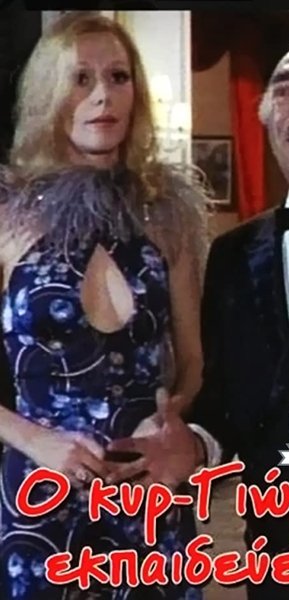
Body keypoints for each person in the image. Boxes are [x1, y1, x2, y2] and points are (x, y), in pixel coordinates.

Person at [108, 44, 289, 599]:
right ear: (267, 121)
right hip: (277, 560)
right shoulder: (234, 254)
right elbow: (225, 401)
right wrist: (195, 445)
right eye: (283, 91)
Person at [0, 11, 208, 600]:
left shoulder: (166, 214)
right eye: (81, 78)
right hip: (39, 497)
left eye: (118, 77)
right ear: (48, 93)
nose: (103, 96)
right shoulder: (9, 214)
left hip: (147, 492)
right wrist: (37, 442)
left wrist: (173, 427)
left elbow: (193, 363)